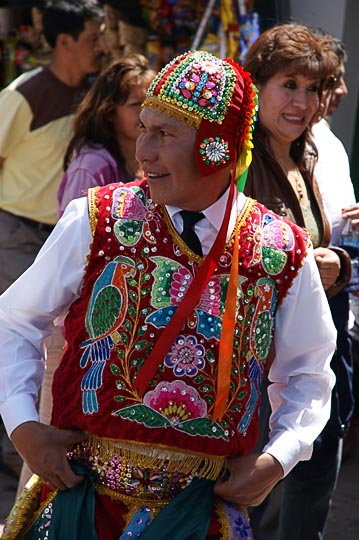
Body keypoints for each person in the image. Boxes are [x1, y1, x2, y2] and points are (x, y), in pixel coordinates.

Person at [0, 50, 336, 540]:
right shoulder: (97, 220)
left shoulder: (278, 249)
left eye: (165, 134)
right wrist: (24, 426)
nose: (144, 152)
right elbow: (15, 319)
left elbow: (309, 370)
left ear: (216, 148)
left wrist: (278, 458)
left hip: (203, 513)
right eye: (143, 129)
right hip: (84, 502)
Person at [242, 24, 353, 540]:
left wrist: (339, 265)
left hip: (312, 352)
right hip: (253, 360)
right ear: (256, 83)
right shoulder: (234, 162)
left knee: (313, 474)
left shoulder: (308, 151)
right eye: (289, 85)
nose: (303, 102)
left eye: (313, 89)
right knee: (249, 487)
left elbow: (319, 246)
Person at [0, 0, 107, 482]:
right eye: (92, 38)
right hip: (18, 233)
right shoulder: (24, 95)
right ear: (64, 42)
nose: (101, 47)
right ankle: (17, 453)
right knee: (20, 338)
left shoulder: (90, 93)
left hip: (63, 238)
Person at [58, 54, 156, 217]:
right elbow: (76, 235)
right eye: (135, 104)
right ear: (109, 113)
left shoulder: (155, 159)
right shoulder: (90, 168)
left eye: (152, 103)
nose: (146, 112)